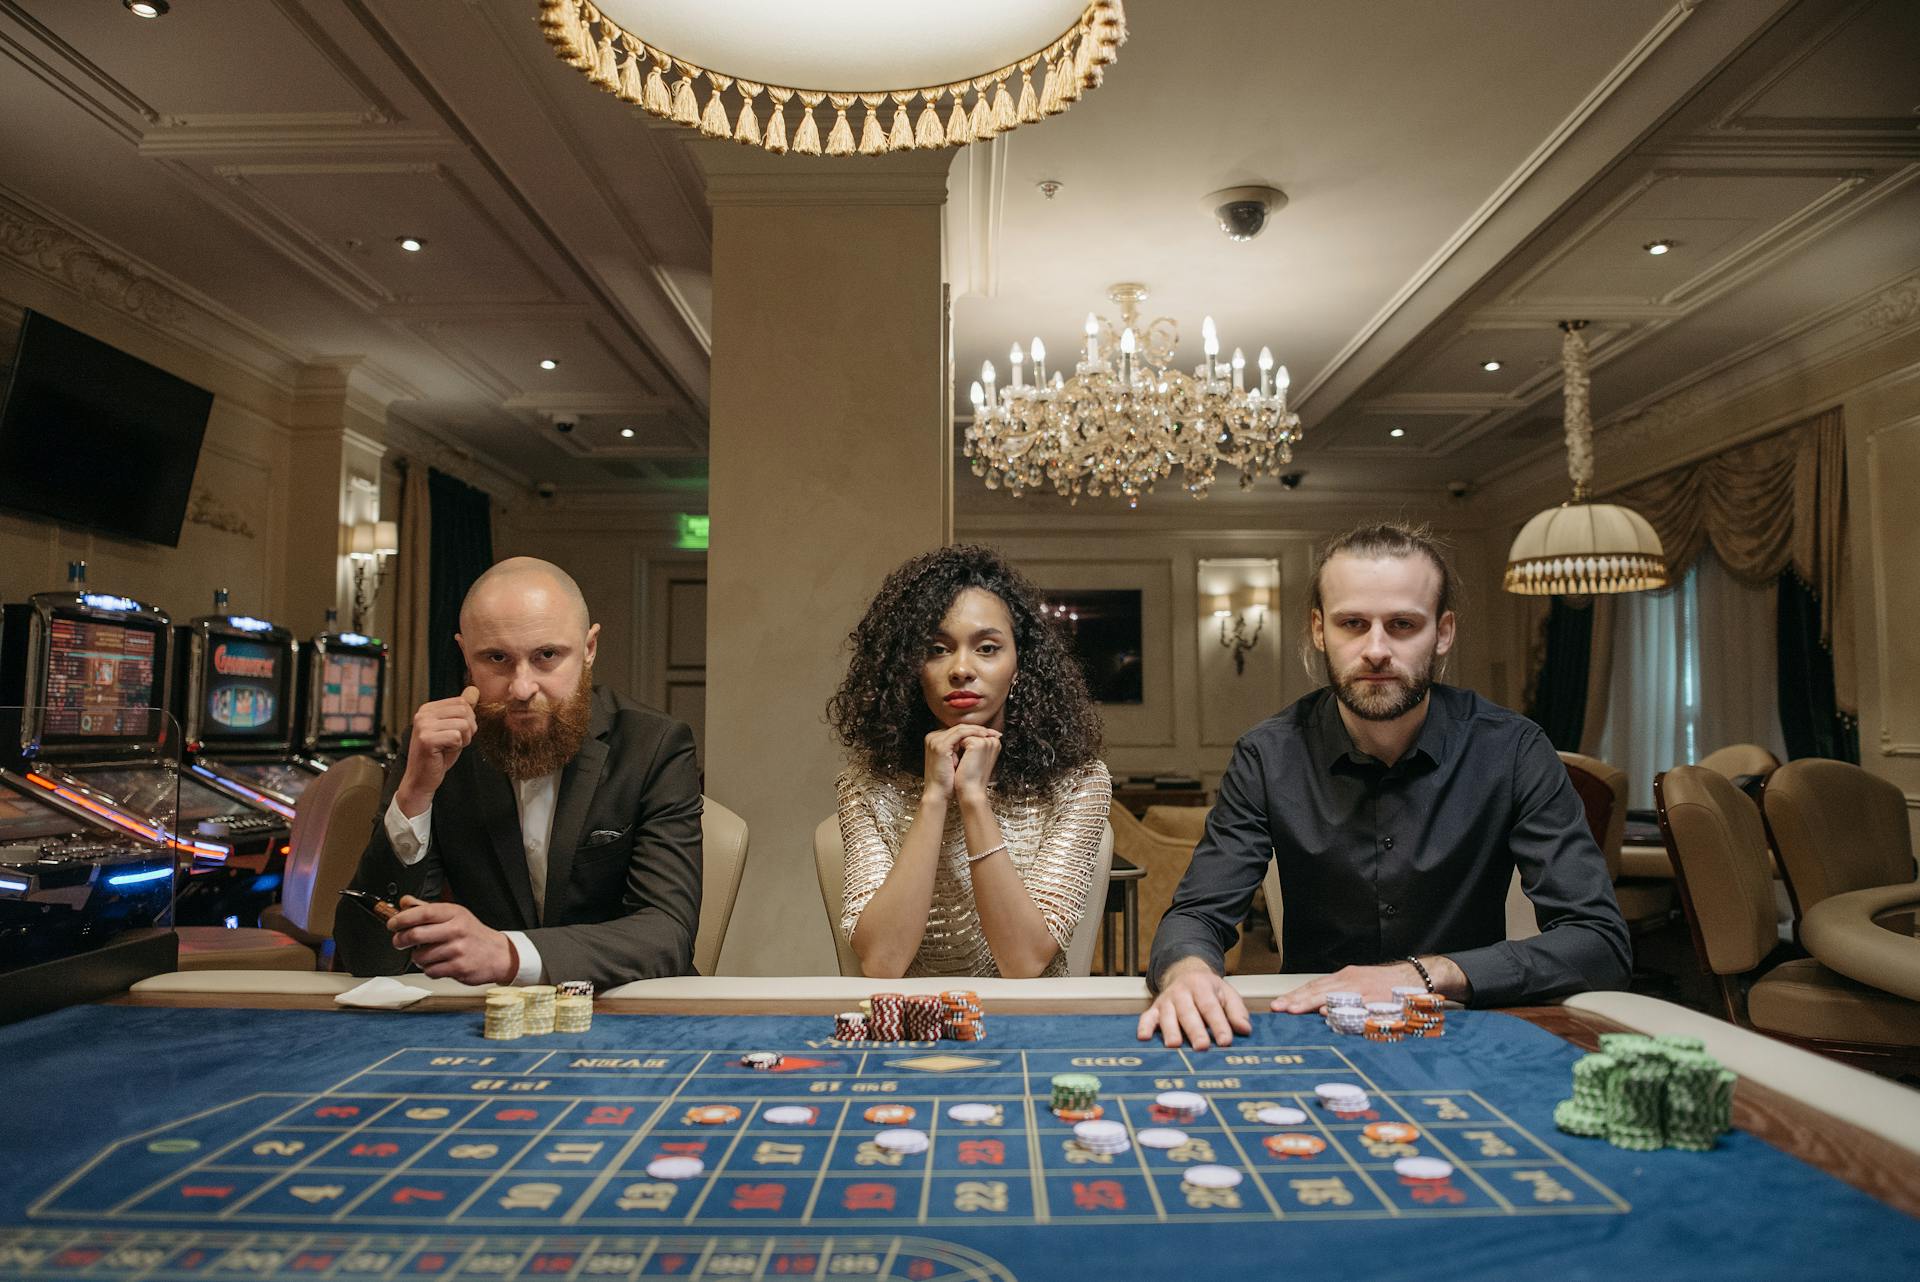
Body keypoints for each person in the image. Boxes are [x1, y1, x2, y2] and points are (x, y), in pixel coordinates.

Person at [1139, 521, 1630, 1049]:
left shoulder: (1513, 750)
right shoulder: (1267, 754)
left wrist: (1420, 974)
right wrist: (1187, 970)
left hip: (1465, 1030)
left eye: (1401, 624)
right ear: (1319, 629)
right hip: (1311, 1028)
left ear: (1442, 632)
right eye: (1353, 623)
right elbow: (1197, 915)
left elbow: (1598, 943)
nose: (1376, 649)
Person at [336, 557, 703, 990]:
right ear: (465, 657)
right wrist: (414, 795)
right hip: (482, 1017)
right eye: (497, 658)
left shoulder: (653, 746)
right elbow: (365, 955)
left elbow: (666, 934)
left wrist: (508, 954)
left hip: (624, 1007)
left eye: (547, 656)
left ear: (589, 650)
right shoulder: (436, 748)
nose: (521, 688)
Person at [829, 545, 1111, 979]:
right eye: (937, 649)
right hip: (910, 1029)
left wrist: (975, 798)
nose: (961, 668)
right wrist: (935, 796)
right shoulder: (866, 784)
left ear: (1020, 663)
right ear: (909, 667)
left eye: (987, 648)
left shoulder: (1076, 782)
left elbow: (1022, 965)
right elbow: (883, 963)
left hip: (1030, 1030)